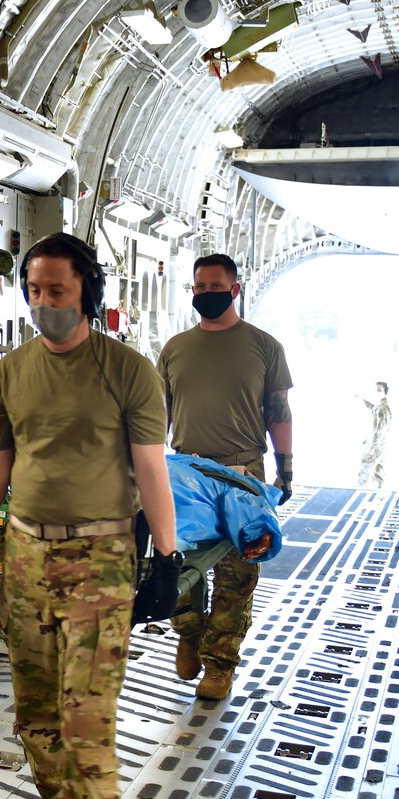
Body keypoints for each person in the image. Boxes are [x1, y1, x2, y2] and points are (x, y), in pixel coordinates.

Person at [0, 234, 180, 799]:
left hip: (100, 558)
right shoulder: (10, 371)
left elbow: (150, 467)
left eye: (57, 290)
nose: (44, 302)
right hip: (25, 552)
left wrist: (166, 556)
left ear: (88, 290)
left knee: (86, 713)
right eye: (34, 289)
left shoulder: (129, 371)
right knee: (36, 717)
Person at [156, 253, 292, 703]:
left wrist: (285, 465)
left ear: (235, 290)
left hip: (241, 472)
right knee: (176, 567)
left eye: (216, 288)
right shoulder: (175, 348)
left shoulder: (264, 346)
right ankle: (189, 632)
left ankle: (220, 666)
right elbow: (157, 415)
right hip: (187, 473)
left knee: (237, 576)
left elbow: (278, 411)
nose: (206, 295)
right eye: (199, 288)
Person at [357, 382, 391, 488]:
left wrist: (373, 444)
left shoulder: (383, 407)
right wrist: (361, 399)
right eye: (376, 390)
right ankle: (380, 490)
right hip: (379, 443)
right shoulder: (379, 405)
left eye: (379, 390)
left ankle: (359, 487)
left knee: (366, 463)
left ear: (385, 392)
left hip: (378, 443)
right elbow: (372, 408)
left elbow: (382, 428)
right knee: (378, 469)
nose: (377, 392)